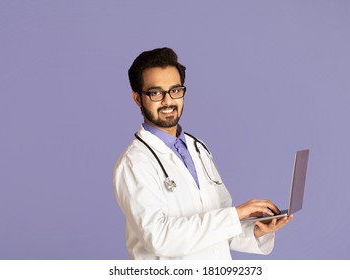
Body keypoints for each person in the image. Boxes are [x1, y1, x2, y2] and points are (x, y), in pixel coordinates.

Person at [113, 47, 293, 260]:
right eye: (156, 93)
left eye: (175, 90)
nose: (168, 101)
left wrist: (254, 230)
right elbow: (159, 239)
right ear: (137, 98)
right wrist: (234, 215)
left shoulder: (197, 148)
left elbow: (218, 223)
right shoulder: (135, 163)